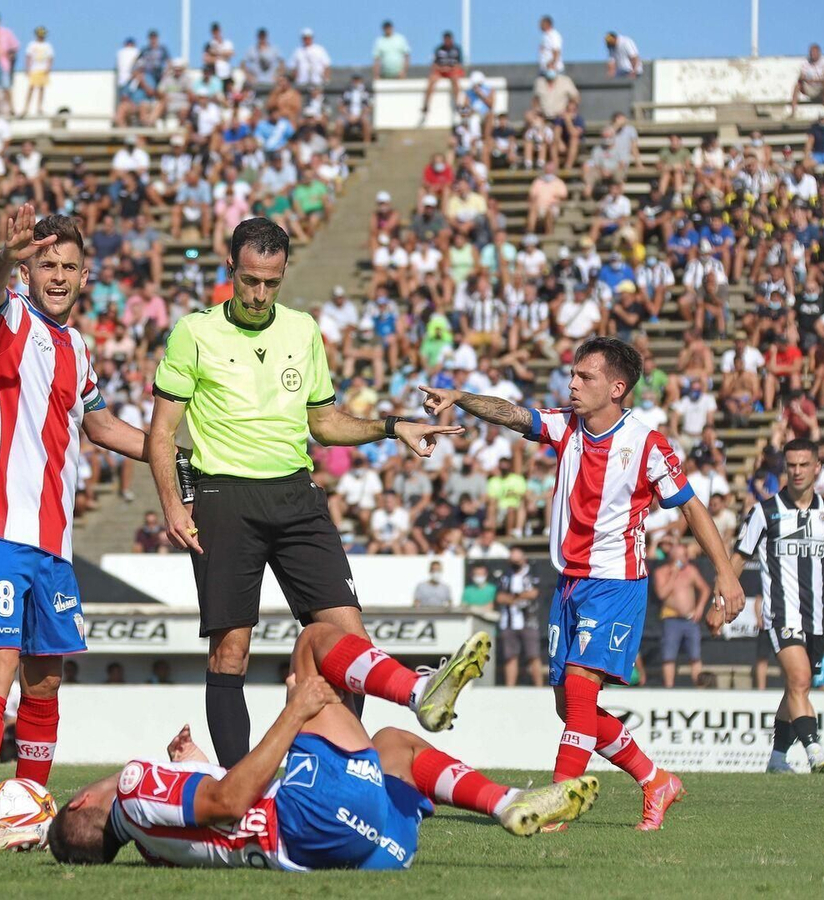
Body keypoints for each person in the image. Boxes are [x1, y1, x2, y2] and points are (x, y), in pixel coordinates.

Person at [149, 218, 460, 769]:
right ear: (231, 269)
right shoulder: (193, 333)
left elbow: (325, 422)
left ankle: (342, 771)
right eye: (249, 281)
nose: (259, 293)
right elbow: (162, 430)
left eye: (271, 282)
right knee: (231, 652)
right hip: (225, 498)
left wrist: (394, 427)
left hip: (296, 496)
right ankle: (236, 788)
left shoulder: (303, 330)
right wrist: (174, 504)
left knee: (349, 639)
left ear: (284, 273)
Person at [419, 336, 746, 830]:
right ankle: (656, 780)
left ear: (617, 387)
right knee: (569, 707)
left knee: (578, 692)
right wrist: (460, 397)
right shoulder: (565, 427)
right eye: (572, 374)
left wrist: (724, 572)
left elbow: (692, 507)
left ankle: (555, 806)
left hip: (615, 583)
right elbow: (512, 414)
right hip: (569, 583)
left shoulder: (646, 443)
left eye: (584, 377)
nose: (571, 383)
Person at [47, 626, 599, 869]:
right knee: (311, 646)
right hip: (306, 818)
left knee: (394, 747)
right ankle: (416, 689)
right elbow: (228, 805)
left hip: (363, 851)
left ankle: (507, 804)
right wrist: (296, 710)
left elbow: (211, 816)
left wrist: (197, 766)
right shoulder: (129, 788)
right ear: (79, 804)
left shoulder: (148, 846)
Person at [0, 205, 150, 853]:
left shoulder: (78, 347)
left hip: (53, 545)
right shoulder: (6, 315)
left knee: (45, 679)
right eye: (46, 264)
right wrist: (6, 255)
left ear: (85, 275)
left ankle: (29, 808)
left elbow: (100, 425)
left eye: (68, 266)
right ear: (29, 269)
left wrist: (174, 449)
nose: (57, 275)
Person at [725, 440, 824, 774]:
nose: (796, 471)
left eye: (802, 465)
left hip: (816, 618)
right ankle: (814, 750)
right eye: (790, 465)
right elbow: (738, 558)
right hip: (781, 612)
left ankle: (777, 759)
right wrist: (719, 599)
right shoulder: (765, 512)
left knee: (796, 688)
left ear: (816, 468)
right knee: (800, 678)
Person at [653, 541, 709, 688]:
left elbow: (705, 589)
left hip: (690, 620)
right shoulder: (661, 572)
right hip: (671, 619)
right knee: (669, 656)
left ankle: (700, 687)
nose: (687, 558)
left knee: (695, 656)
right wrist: (674, 574)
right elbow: (662, 594)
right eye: (683, 556)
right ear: (675, 557)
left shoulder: (691, 570)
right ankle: (669, 688)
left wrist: (700, 607)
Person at [495, 547, 544, 686]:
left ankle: (539, 688)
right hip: (508, 622)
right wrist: (519, 596)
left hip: (529, 621)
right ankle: (510, 688)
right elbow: (499, 597)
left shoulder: (532, 574)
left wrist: (514, 597)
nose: (515, 563)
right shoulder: (505, 576)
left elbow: (534, 593)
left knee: (533, 655)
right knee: (510, 656)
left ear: (524, 559)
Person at [420, 31, 463, 117]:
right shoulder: (438, 49)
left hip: (452, 71)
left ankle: (458, 104)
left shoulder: (457, 49)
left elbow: (459, 64)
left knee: (455, 79)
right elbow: (434, 64)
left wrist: (449, 69)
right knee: (431, 80)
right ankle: (426, 105)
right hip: (440, 71)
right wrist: (442, 69)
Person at [21, 26, 53, 118]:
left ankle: (40, 108)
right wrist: (27, 68)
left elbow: (50, 57)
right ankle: (26, 108)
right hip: (34, 69)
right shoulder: (32, 45)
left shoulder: (47, 46)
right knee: (31, 88)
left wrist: (48, 68)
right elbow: (28, 57)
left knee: (41, 89)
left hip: (43, 70)